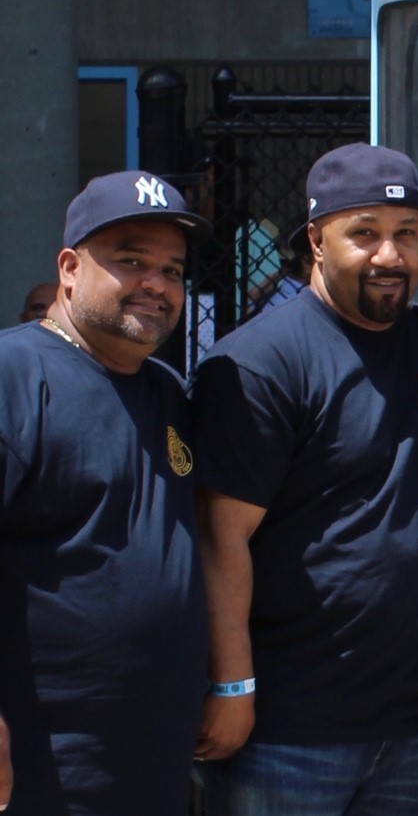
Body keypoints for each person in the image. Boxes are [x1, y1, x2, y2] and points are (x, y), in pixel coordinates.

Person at [191, 143, 418, 815]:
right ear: (316, 242)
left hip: (414, 729)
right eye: (364, 234)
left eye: (406, 235)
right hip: (285, 733)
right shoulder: (259, 364)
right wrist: (233, 687)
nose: (389, 255)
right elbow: (220, 540)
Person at [0, 171, 211, 814]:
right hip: (43, 765)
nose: (157, 283)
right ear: (69, 268)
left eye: (172, 270)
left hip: (153, 759)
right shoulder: (14, 374)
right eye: (131, 261)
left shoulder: (168, 391)